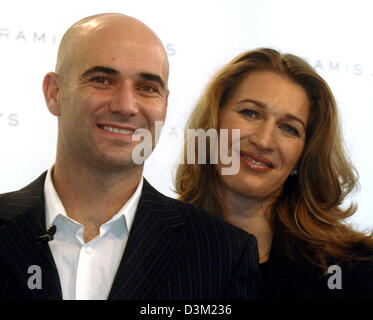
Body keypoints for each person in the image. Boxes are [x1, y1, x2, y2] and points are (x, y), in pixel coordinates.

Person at [0, 13, 263, 300]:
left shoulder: (222, 255)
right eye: (102, 80)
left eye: (147, 88)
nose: (126, 106)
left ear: (164, 105)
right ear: (54, 93)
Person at [175, 48, 373, 300]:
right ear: (213, 121)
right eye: (250, 113)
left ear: (304, 154)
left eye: (289, 129)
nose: (264, 140)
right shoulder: (146, 242)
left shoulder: (353, 271)